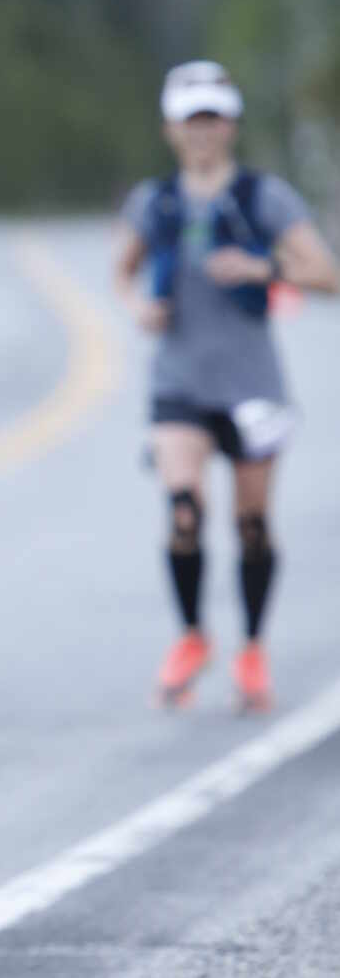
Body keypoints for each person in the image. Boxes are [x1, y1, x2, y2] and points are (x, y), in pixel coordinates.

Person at [113, 60, 338, 711]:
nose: (202, 131)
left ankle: (252, 650)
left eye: (212, 118)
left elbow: (325, 274)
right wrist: (139, 308)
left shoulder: (263, 198)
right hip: (179, 381)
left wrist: (262, 267)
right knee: (183, 512)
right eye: (191, 120)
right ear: (170, 129)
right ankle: (192, 636)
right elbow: (122, 272)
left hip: (250, 384)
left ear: (231, 125)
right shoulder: (154, 202)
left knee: (251, 525)